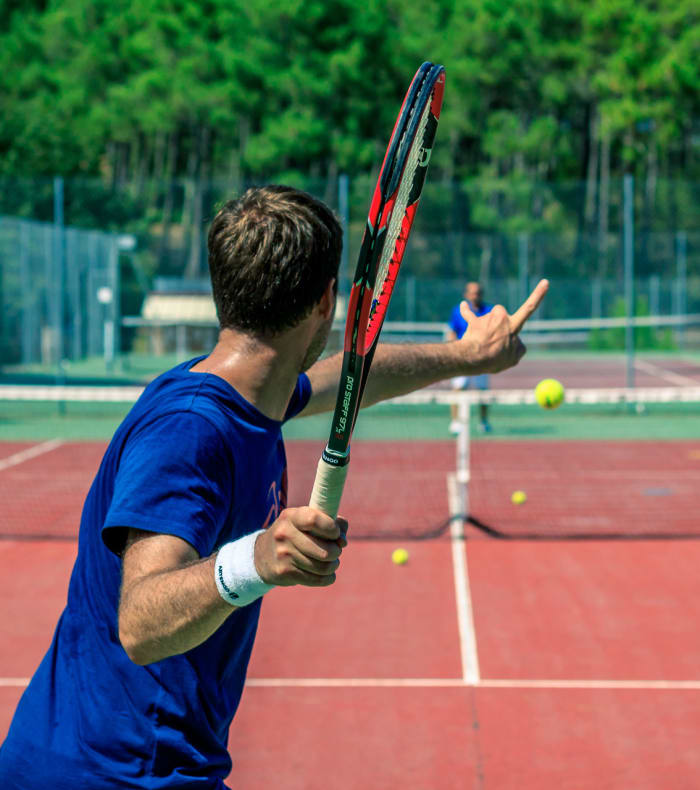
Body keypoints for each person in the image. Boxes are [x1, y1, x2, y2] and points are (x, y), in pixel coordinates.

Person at [0, 186, 547, 789]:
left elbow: (350, 378)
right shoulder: (189, 432)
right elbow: (140, 623)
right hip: (114, 774)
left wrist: (465, 356)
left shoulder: (251, 393)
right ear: (326, 302)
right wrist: (257, 559)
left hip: (135, 763)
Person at [447, 281, 494, 433]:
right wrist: (455, 349)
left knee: (483, 392)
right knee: (458, 388)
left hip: (482, 358)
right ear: (466, 294)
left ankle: (483, 422)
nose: (475, 296)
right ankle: (455, 422)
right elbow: (452, 332)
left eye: (478, 293)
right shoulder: (457, 311)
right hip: (462, 357)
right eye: (472, 292)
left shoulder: (489, 311)